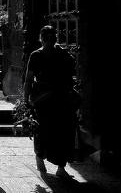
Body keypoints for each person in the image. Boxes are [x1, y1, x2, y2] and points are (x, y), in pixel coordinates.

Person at [23, 25, 78, 178]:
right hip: (47, 100)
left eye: (51, 37)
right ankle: (44, 158)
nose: (49, 40)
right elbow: (29, 79)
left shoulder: (59, 54)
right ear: (43, 39)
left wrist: (26, 99)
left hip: (57, 98)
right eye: (48, 37)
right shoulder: (38, 55)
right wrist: (26, 100)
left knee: (59, 131)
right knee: (48, 130)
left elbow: (28, 80)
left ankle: (57, 164)